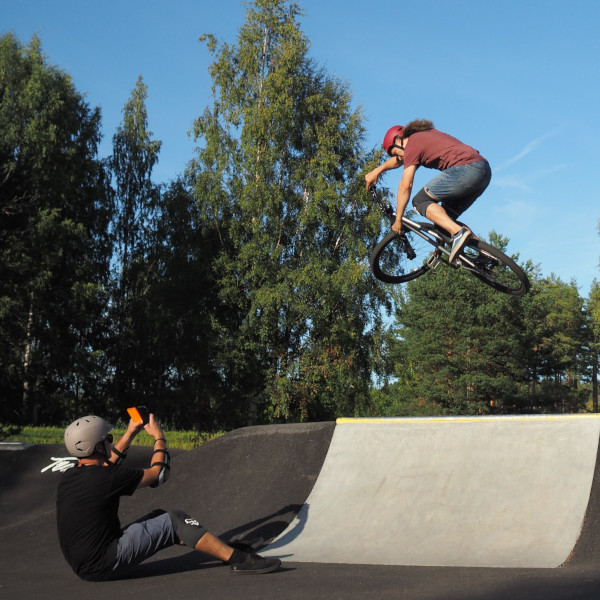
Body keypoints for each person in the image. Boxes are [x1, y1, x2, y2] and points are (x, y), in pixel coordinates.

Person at [56, 413, 281, 581]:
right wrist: (159, 438)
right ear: (97, 446)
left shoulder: (72, 475)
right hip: (103, 562)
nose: (111, 442)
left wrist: (130, 433)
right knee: (175, 520)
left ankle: (220, 548)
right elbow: (159, 474)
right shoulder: (106, 477)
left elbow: (107, 464)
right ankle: (240, 560)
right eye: (108, 439)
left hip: (85, 564)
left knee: (158, 517)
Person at [365, 119, 491, 262]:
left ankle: (458, 233)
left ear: (399, 139)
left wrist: (398, 220)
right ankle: (486, 254)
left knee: (420, 201)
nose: (399, 158)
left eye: (397, 153)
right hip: (483, 171)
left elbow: (405, 185)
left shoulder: (412, 144)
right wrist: (377, 171)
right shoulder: (423, 137)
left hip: (466, 169)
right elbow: (398, 161)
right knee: (444, 221)